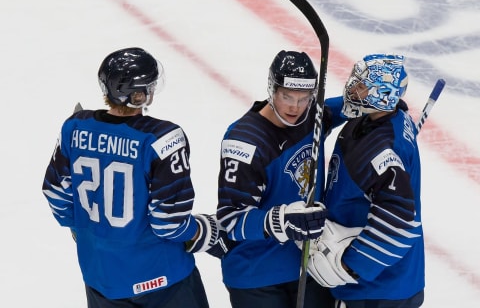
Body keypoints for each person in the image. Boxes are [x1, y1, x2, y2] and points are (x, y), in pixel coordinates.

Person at [42, 47, 231, 308]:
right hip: (163, 279)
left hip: (101, 277)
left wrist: (87, 230)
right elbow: (169, 224)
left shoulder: (73, 127)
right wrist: (201, 230)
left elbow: (56, 195)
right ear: (139, 94)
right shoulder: (162, 139)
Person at [216, 50, 345, 308]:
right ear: (272, 89)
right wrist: (281, 220)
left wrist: (368, 101)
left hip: (307, 266)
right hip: (256, 274)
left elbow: (338, 107)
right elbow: (230, 219)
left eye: (304, 98)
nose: (294, 107)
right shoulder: (245, 142)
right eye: (287, 96)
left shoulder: (312, 117)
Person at [306, 54, 425, 308]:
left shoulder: (381, 151)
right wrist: (320, 114)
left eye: (361, 85)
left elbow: (400, 221)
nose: (351, 88)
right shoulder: (381, 115)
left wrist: (351, 267)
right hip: (377, 287)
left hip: (380, 290)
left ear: (382, 94)